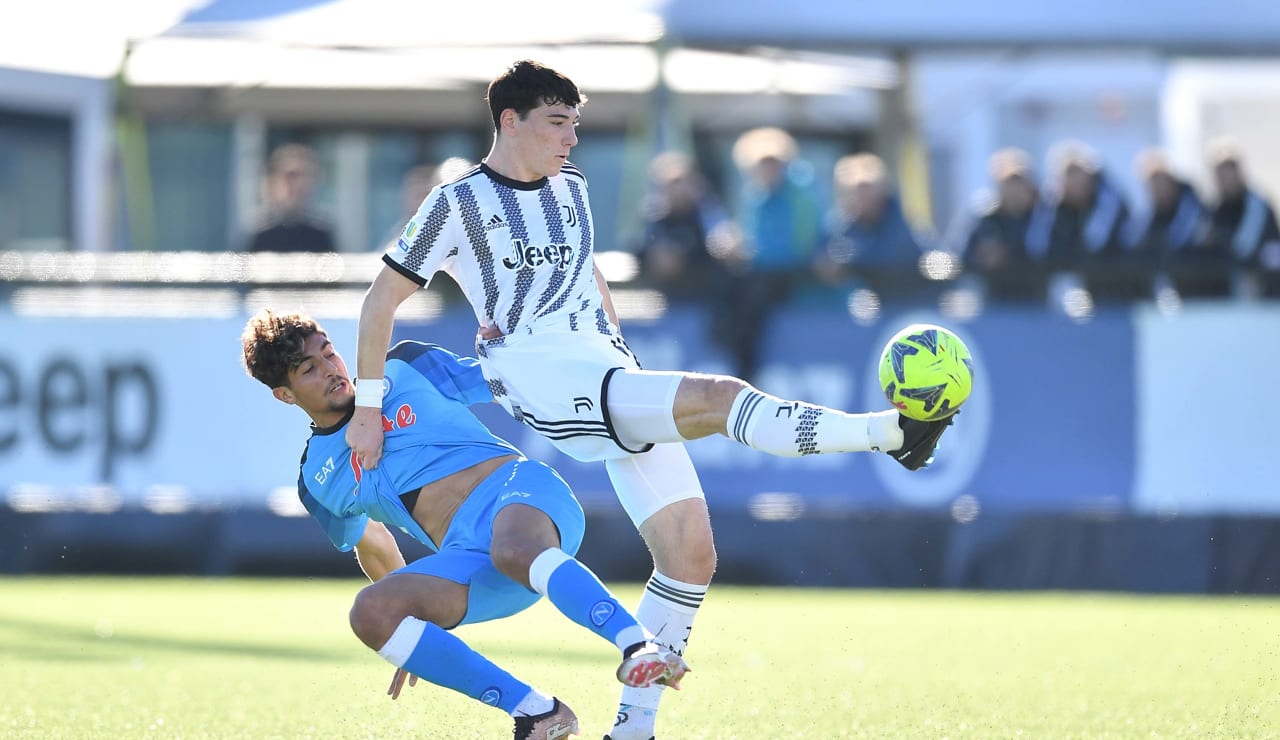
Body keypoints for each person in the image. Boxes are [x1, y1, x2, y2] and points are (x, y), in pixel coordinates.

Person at [347, 60, 954, 740]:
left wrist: (617, 346)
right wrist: (368, 412)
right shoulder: (454, 205)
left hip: (604, 369)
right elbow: (381, 302)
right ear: (509, 122)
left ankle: (632, 731)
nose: (571, 140)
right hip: (544, 381)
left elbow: (586, 273)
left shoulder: (569, 186)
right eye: (557, 124)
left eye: (575, 125)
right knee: (719, 398)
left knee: (691, 556)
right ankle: (893, 436)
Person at [241, 308, 689, 740]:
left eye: (328, 352)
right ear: (285, 394)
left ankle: (640, 646)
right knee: (370, 613)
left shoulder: (403, 365)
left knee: (512, 548)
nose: (332, 369)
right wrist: (408, 632)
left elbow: (500, 381)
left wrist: (504, 348)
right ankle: (536, 712)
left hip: (521, 494)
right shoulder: (316, 479)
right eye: (308, 369)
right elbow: (371, 541)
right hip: (471, 561)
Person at [718, 126, 822, 382]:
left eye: (772, 162)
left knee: (749, 301)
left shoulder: (800, 194)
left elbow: (799, 246)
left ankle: (745, 369)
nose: (767, 169)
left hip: (793, 276)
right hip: (763, 273)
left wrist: (748, 252)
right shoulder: (757, 196)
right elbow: (750, 234)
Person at [818, 152, 927, 301]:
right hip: (852, 312)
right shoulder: (837, 227)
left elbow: (929, 259)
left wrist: (856, 257)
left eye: (866, 187)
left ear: (882, 188)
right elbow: (821, 262)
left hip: (903, 306)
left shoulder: (904, 226)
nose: (860, 194)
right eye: (853, 188)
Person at [635, 151, 737, 305]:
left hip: (707, 297)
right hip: (664, 301)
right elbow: (641, 252)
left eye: (684, 182)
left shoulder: (707, 211)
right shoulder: (653, 217)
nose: (679, 189)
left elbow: (722, 240)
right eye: (672, 184)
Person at [961, 148, 1052, 303]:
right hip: (994, 303)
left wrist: (1009, 255)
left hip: (1037, 303)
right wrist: (981, 259)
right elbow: (961, 256)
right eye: (1008, 182)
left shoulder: (1046, 216)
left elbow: (1057, 254)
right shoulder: (984, 218)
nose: (1014, 188)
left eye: (1019, 181)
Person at [1204, 138, 1280, 298]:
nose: (1226, 176)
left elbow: (1244, 248)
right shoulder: (1216, 208)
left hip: (1261, 288)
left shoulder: (1257, 204)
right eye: (1220, 171)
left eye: (1230, 169)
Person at [1130, 149, 1212, 297]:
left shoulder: (1192, 207)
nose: (1158, 187)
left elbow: (1181, 242)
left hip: (1199, 293)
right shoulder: (1148, 215)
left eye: (1161, 180)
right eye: (1152, 181)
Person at [246, 143, 337, 253]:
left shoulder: (322, 231)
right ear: (274, 179)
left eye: (306, 176)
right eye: (291, 176)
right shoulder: (258, 228)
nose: (298, 184)